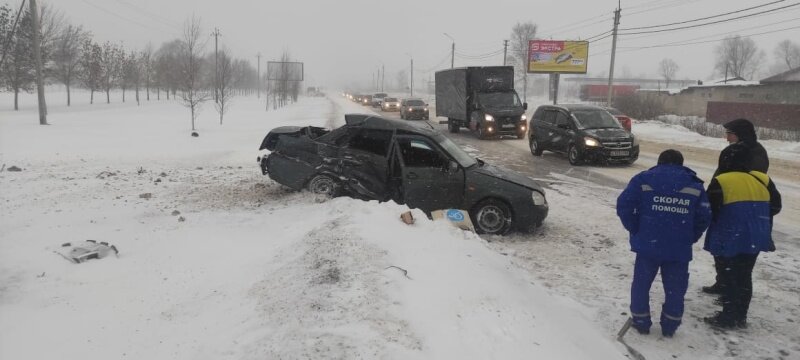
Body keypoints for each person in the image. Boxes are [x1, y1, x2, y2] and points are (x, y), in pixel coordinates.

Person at [617, 150, 712, 337]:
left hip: (648, 245)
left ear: (659, 162)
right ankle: (670, 325)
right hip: (678, 247)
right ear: (681, 164)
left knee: (641, 285)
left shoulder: (643, 178)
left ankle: (641, 321)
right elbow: (704, 215)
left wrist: (635, 228)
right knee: (676, 289)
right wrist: (690, 235)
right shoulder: (694, 184)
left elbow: (624, 205)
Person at [703, 144, 781, 329]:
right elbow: (776, 207)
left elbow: (709, 210)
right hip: (756, 235)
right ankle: (740, 316)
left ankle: (728, 317)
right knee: (745, 275)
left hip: (730, 235)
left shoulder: (722, 180)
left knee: (730, 275)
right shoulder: (763, 179)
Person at [703, 118, 770, 295]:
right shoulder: (740, 149)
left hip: (735, 209)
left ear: (739, 133)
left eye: (729, 134)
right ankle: (724, 286)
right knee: (725, 257)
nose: (727, 138)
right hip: (733, 206)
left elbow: (748, 181)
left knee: (736, 262)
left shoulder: (751, 152)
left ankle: (732, 302)